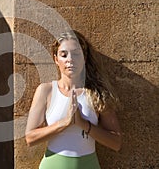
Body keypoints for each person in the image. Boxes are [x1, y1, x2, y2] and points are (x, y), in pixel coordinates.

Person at [25, 30, 122, 169]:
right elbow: (30, 138)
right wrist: (64, 123)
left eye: (76, 54)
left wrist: (83, 124)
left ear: (84, 57)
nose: (70, 59)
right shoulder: (46, 90)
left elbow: (116, 142)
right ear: (56, 59)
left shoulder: (97, 93)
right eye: (64, 55)